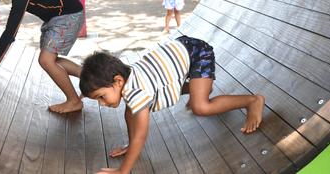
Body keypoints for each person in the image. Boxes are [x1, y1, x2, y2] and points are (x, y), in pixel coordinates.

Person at [79, 37, 265, 174]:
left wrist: (123, 171)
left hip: (197, 54)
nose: (102, 104)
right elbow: (130, 114)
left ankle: (252, 100)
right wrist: (130, 144)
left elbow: (141, 135)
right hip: (180, 50)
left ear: (118, 81)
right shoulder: (129, 79)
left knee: (201, 107)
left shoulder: (137, 92)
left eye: (101, 97)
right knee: (133, 109)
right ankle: (199, 86)